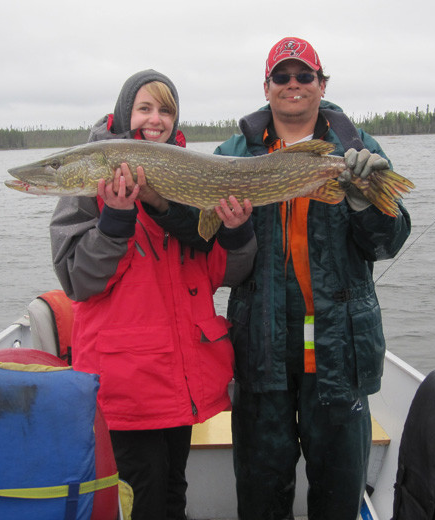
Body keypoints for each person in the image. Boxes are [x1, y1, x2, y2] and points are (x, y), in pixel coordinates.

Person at [215, 38, 411, 519]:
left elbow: (387, 244)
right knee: (261, 489)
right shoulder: (232, 154)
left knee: (339, 488)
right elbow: (215, 263)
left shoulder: (357, 150)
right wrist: (230, 228)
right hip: (262, 343)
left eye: (305, 76)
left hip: (338, 344)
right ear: (267, 88)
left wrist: (365, 202)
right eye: (282, 77)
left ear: (322, 84)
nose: (294, 85)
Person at [50, 69, 256, 520]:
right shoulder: (93, 182)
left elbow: (225, 272)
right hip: (127, 386)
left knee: (172, 495)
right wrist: (115, 221)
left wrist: (239, 233)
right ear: (126, 113)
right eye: (145, 108)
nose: (155, 119)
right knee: (142, 503)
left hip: (180, 381)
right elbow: (78, 281)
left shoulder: (190, 178)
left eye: (166, 110)